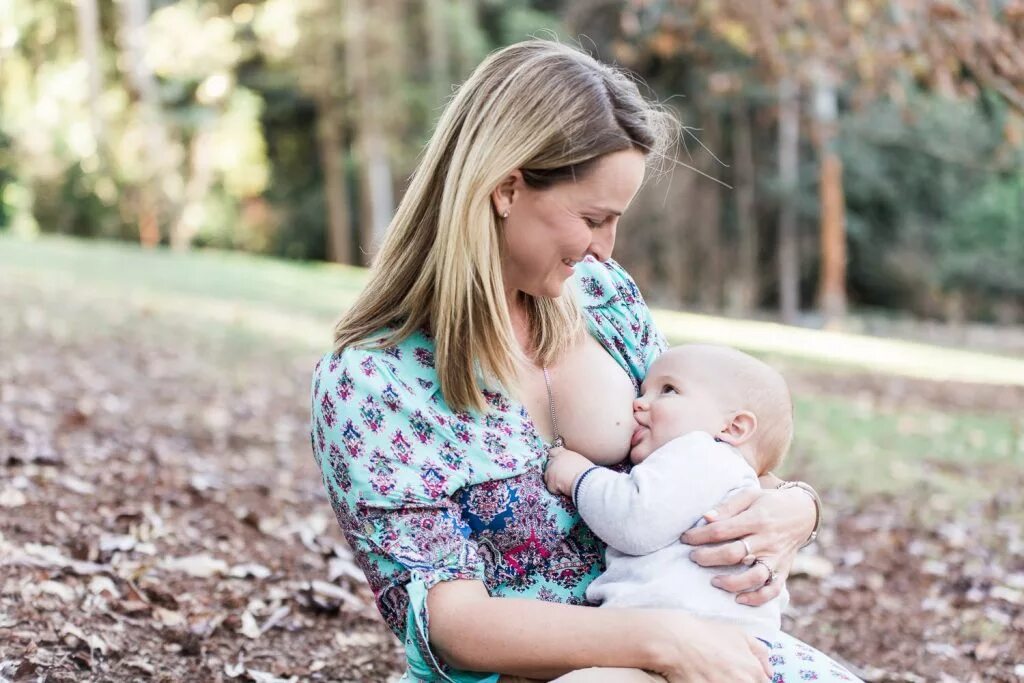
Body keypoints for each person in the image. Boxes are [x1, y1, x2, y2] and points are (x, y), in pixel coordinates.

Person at [310, 39, 852, 682]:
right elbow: (452, 624)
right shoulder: (372, 384)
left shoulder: (604, 300)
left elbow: (712, 452)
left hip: (700, 650)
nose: (605, 248)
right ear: (507, 187)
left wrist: (795, 508)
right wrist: (659, 641)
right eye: (594, 218)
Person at [542, 345, 860, 681]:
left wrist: (578, 476)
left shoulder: (700, 453)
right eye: (643, 390)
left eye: (668, 390)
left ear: (733, 428)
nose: (639, 402)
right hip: (721, 647)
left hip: (688, 646)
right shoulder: (724, 473)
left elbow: (635, 521)